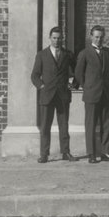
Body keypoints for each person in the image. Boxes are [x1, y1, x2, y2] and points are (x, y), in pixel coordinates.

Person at [74, 25, 109, 164]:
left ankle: (106, 152)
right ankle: (91, 154)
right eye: (96, 37)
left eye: (101, 37)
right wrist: (87, 87)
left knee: (106, 124)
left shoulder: (108, 52)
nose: (99, 39)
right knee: (91, 124)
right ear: (91, 36)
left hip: (105, 93)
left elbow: (108, 72)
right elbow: (78, 74)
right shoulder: (84, 53)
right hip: (91, 94)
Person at [30, 26, 74, 163]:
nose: (57, 41)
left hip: (62, 95)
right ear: (50, 38)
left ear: (62, 39)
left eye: (59, 38)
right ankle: (44, 154)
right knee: (45, 126)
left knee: (64, 125)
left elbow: (75, 71)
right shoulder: (42, 55)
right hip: (47, 96)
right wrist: (42, 86)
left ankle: (66, 152)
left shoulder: (68, 54)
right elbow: (34, 76)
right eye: (54, 38)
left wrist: (72, 82)